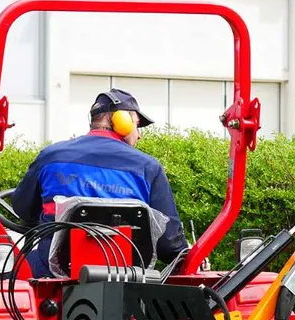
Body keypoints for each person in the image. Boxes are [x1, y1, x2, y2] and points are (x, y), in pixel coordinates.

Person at [11, 88, 188, 276]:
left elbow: (23, 209)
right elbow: (170, 245)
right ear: (122, 121)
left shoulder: (50, 157)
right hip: (126, 281)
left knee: (3, 270)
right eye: (136, 125)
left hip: (52, 277)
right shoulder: (148, 167)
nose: (139, 135)